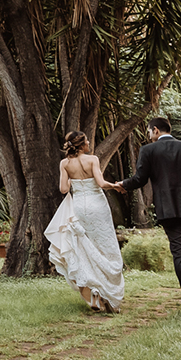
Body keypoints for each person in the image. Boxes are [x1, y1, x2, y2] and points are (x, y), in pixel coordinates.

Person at [108, 117, 181, 314]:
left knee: (180, 256)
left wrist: (123, 185)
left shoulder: (148, 151)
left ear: (156, 130)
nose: (148, 135)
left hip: (170, 211)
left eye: (149, 131)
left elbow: (140, 179)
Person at [45, 131, 125, 313]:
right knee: (104, 246)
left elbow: (64, 189)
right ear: (81, 145)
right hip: (97, 206)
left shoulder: (64, 163)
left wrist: (76, 183)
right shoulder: (92, 159)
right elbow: (101, 182)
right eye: (87, 141)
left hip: (79, 207)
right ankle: (109, 295)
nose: (89, 143)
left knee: (85, 248)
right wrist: (114, 186)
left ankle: (94, 290)